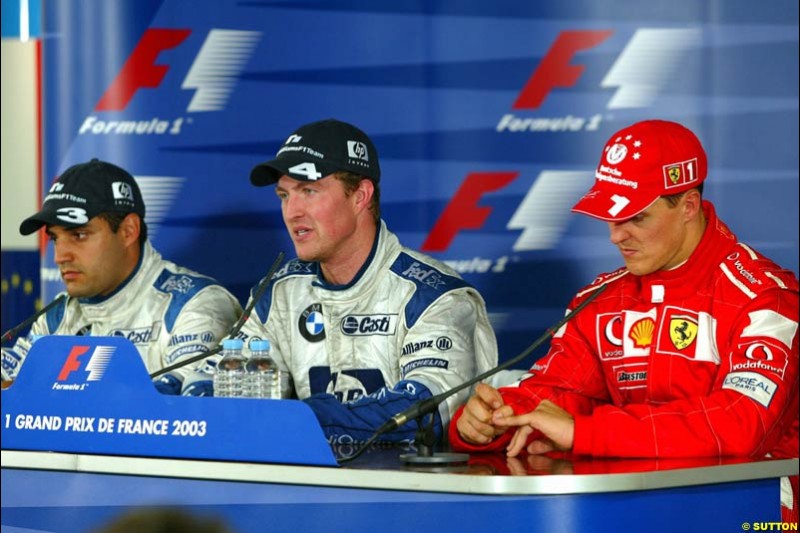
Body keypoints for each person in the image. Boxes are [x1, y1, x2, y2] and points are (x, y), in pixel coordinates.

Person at [449, 120, 799, 521]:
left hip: (753, 516)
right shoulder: (599, 301)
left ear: (687, 206)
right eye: (611, 218)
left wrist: (587, 432)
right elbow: (556, 393)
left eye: (636, 218)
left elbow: (741, 423)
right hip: (633, 514)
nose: (617, 236)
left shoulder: (763, 297)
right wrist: (489, 422)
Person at [242, 118, 498, 443]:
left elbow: (425, 411)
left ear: (361, 196)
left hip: (412, 491)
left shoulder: (433, 296)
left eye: (309, 191)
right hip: (305, 489)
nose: (292, 212)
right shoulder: (275, 294)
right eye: (283, 195)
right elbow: (231, 395)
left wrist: (295, 420)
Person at [1, 158, 242, 396]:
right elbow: (9, 382)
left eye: (79, 235)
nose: (60, 256)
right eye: (55, 239)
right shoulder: (57, 317)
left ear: (128, 231)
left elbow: (191, 413)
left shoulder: (193, 305)